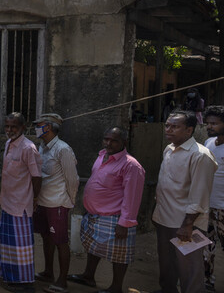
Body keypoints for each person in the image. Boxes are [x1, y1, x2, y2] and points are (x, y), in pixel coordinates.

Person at [68, 127, 145, 293]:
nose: (109, 143)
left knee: (119, 254)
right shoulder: (102, 155)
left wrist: (124, 223)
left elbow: (132, 197)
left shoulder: (131, 165)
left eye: (114, 140)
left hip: (115, 217)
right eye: (106, 139)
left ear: (124, 142)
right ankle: (88, 276)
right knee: (93, 248)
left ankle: (116, 287)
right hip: (96, 214)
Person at [153, 110, 216, 293]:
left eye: (175, 126)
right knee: (166, 264)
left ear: (189, 130)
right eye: (167, 125)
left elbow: (200, 194)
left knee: (189, 268)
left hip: (186, 223)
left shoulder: (200, 155)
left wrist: (187, 225)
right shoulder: (169, 149)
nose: (169, 130)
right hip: (164, 218)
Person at [0, 112, 42, 292]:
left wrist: (35, 198)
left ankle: (24, 281)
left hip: (21, 204)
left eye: (13, 127)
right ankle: (6, 271)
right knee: (6, 241)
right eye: (7, 126)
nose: (9, 130)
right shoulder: (9, 143)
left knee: (21, 245)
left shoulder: (28, 148)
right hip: (7, 201)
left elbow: (37, 177)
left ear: (23, 127)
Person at [32, 113, 79, 292]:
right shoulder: (42, 147)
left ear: (49, 127)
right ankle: (48, 272)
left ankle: (62, 280)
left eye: (39, 124)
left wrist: (69, 201)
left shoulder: (63, 149)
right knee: (46, 237)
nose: (36, 127)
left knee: (60, 241)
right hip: (43, 202)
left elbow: (72, 180)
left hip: (58, 203)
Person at [205, 106, 224, 290]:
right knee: (205, 247)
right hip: (207, 206)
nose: (209, 126)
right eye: (208, 123)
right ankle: (206, 281)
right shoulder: (208, 143)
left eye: (215, 123)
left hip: (223, 208)